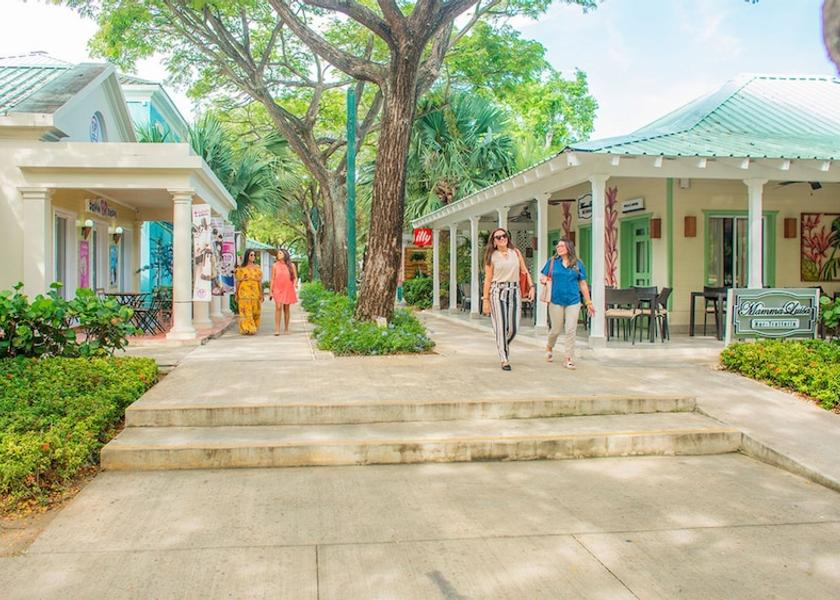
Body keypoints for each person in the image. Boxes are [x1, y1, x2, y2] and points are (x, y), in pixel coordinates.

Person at [481, 228, 534, 370]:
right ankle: (504, 358)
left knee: (513, 328)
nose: (502, 238)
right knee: (500, 325)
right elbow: (488, 279)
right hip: (497, 291)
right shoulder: (491, 256)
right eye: (498, 237)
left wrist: (532, 287)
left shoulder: (515, 253)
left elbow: (524, 270)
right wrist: (485, 300)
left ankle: (502, 344)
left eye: (504, 236)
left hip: (514, 291)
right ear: (494, 241)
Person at [540, 238, 595, 369]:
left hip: (573, 300)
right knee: (556, 329)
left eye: (561, 246)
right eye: (557, 246)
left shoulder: (578, 264)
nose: (558, 248)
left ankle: (568, 358)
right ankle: (549, 346)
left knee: (571, 329)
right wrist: (543, 279)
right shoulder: (552, 262)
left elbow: (582, 283)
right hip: (556, 299)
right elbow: (543, 275)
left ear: (569, 248)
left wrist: (588, 302)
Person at [270, 248, 298, 335]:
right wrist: (271, 290)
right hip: (277, 289)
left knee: (286, 308)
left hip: (288, 288)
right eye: (278, 253)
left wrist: (294, 285)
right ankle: (277, 329)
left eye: (280, 253)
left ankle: (286, 329)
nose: (278, 255)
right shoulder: (275, 265)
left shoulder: (291, 265)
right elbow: (273, 278)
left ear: (285, 254)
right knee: (278, 307)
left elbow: (295, 277)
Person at [235, 249, 263, 335]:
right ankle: (247, 328)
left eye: (254, 255)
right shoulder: (241, 268)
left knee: (255, 310)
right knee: (245, 310)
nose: (253, 257)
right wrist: (236, 294)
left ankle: (252, 325)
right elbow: (238, 282)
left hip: (255, 292)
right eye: (251, 255)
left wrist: (261, 294)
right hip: (244, 292)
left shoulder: (257, 268)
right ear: (247, 256)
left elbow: (259, 282)